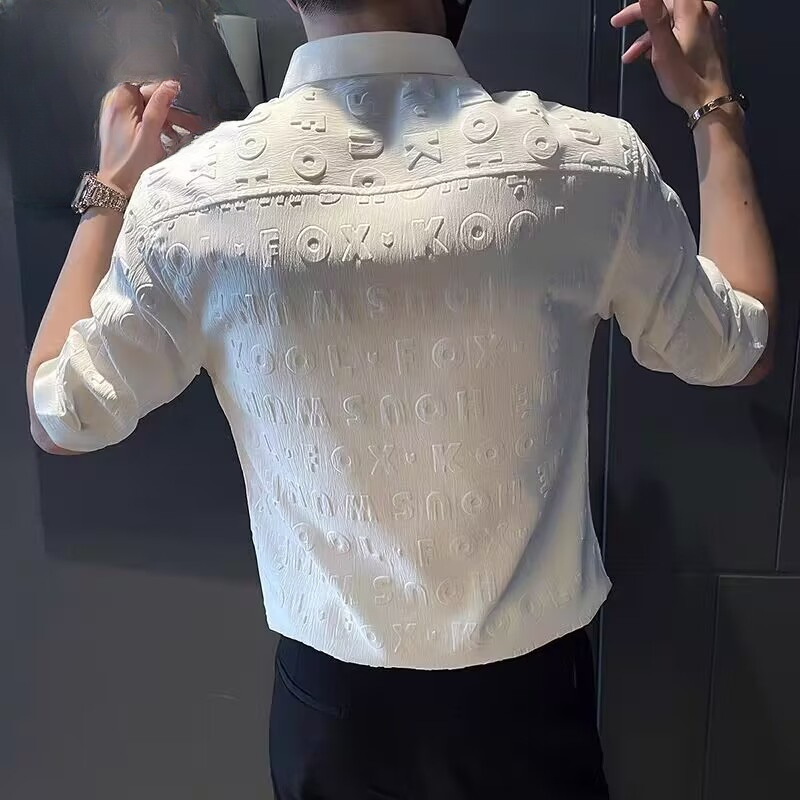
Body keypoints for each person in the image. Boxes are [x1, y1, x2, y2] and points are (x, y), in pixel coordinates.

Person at [26, 0, 776, 797]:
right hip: (525, 712)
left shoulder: (189, 198)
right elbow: (739, 345)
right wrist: (713, 107)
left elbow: (61, 413)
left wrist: (113, 189)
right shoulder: (588, 165)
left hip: (332, 716)